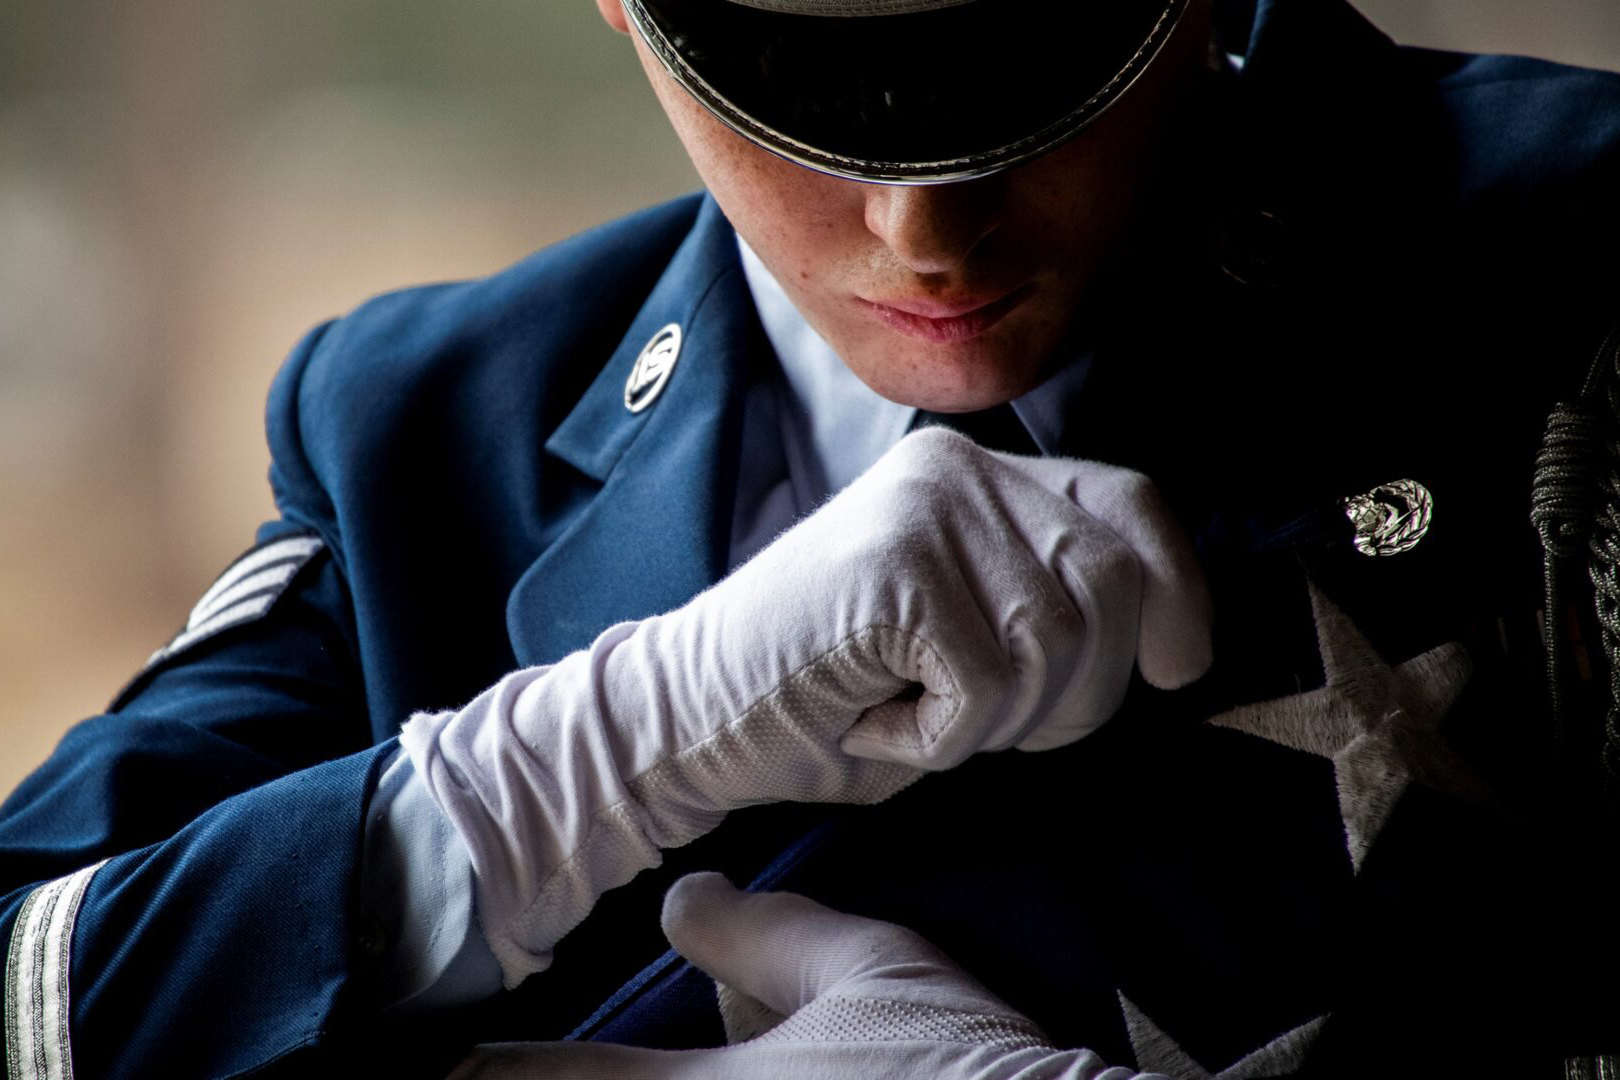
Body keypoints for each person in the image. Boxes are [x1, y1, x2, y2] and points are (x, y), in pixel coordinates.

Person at [3, 0, 1619, 1076]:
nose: (926, 229)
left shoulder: (1574, 265)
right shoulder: (421, 426)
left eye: (1026, 59)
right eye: (818, 109)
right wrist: (576, 762)